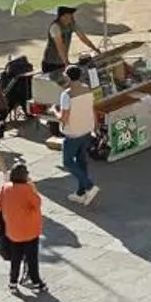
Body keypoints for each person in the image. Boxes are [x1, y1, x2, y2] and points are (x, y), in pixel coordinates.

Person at [0, 161, 46, 294]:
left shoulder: (5, 187)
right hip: (30, 230)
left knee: (15, 258)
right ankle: (37, 282)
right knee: (32, 258)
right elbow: (37, 203)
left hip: (13, 231)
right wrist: (33, 188)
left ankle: (12, 282)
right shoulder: (28, 189)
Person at [57, 65, 98, 206]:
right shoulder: (87, 89)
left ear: (68, 77)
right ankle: (81, 193)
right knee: (81, 162)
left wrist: (54, 112)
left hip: (73, 133)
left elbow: (64, 118)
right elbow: (92, 109)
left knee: (68, 162)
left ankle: (89, 186)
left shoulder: (66, 95)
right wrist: (95, 126)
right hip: (86, 130)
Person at [40, 6, 99, 78]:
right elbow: (60, 46)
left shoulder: (72, 24)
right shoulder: (55, 27)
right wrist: (66, 63)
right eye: (69, 16)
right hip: (51, 63)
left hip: (62, 62)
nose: (71, 17)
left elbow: (83, 38)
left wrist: (95, 49)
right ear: (62, 17)